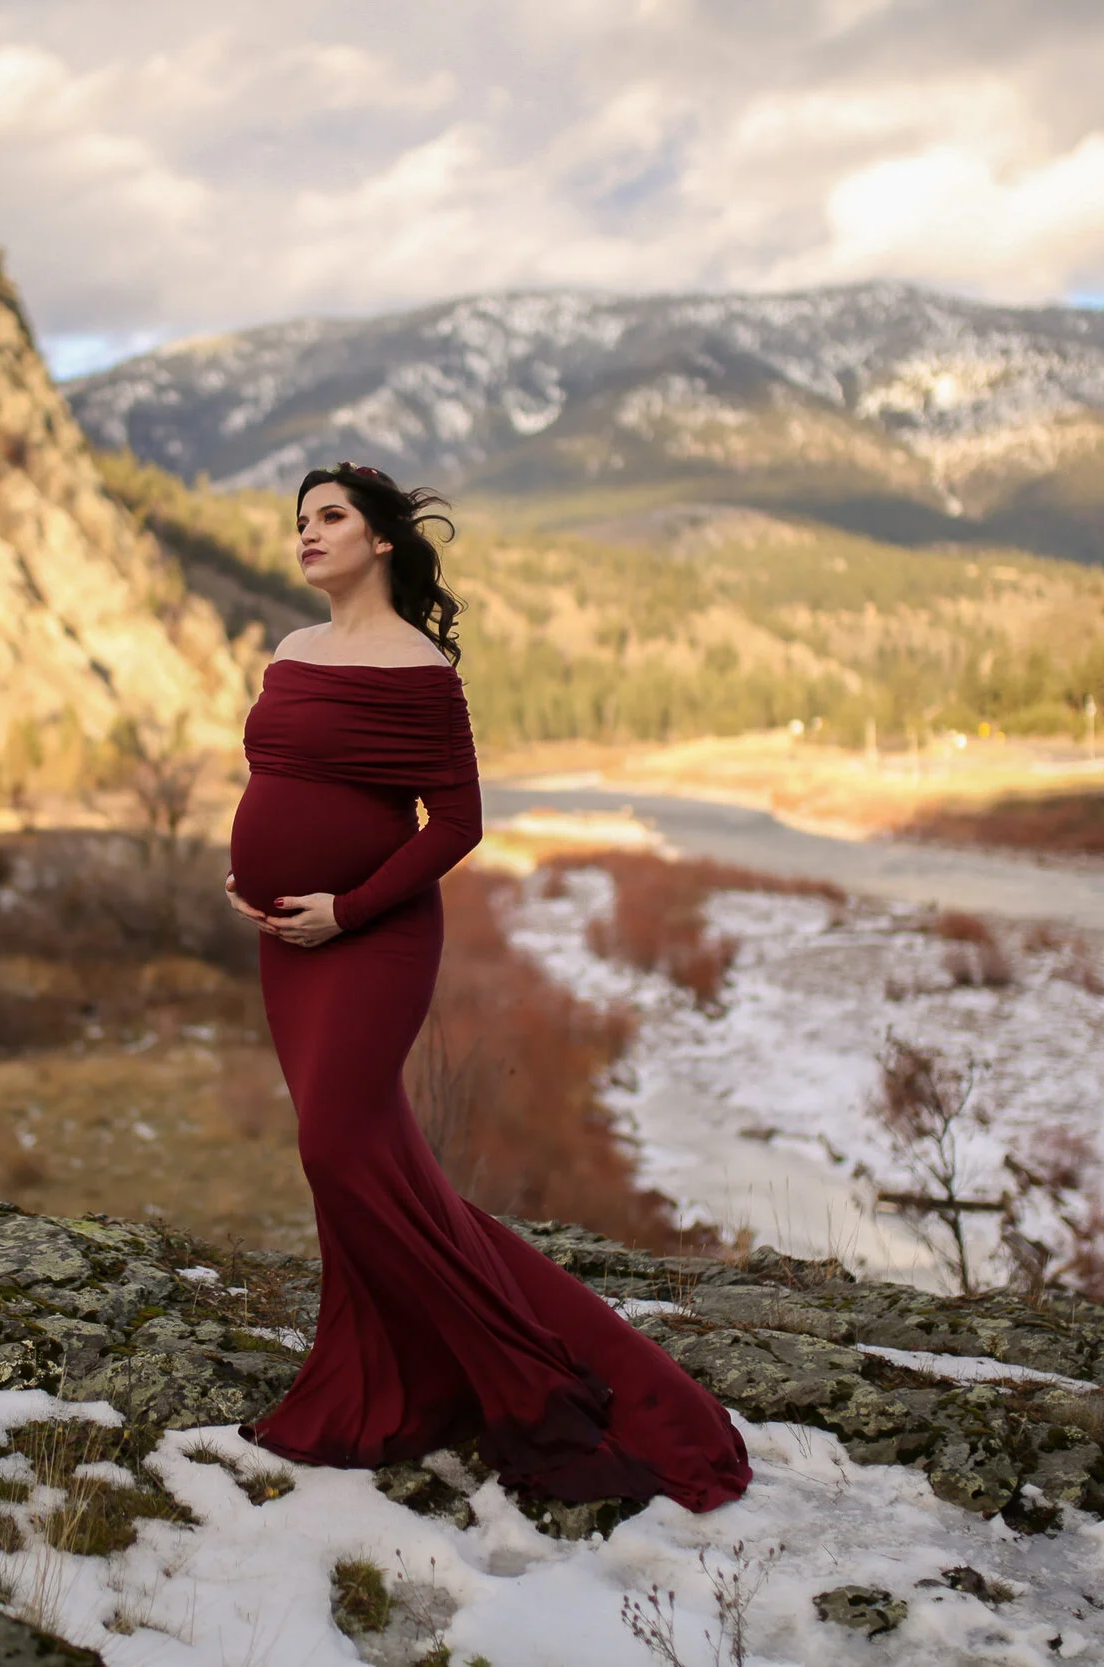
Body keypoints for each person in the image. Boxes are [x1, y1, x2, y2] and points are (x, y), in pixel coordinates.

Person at [222, 462, 752, 1513]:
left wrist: (347, 908)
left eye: (331, 516)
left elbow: (458, 823)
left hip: (370, 938)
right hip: (289, 942)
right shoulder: (291, 650)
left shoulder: (418, 668)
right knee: (364, 1163)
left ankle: (530, 1368)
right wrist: (257, 879)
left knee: (338, 1147)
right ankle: (385, 1374)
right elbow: (279, 781)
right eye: (300, 519)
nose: (308, 533)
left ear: (381, 539)